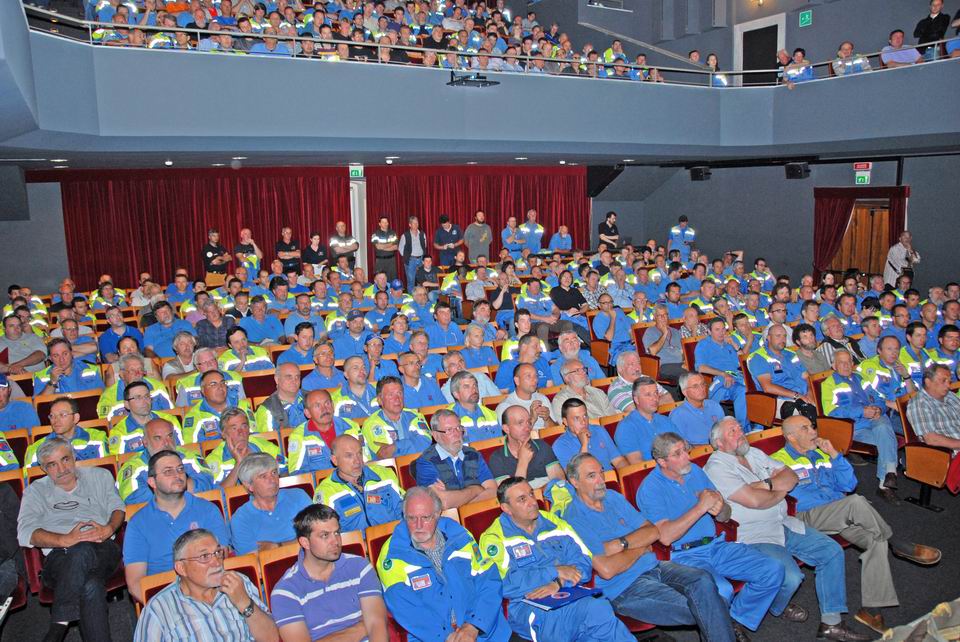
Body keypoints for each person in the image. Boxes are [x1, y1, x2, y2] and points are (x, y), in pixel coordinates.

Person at [771, 415, 941, 634]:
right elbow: (782, 499)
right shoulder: (777, 461)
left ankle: (871, 610)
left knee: (875, 539)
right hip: (805, 516)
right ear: (791, 437)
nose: (814, 431)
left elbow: (849, 484)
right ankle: (897, 543)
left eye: (813, 426)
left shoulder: (821, 454)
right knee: (856, 502)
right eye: (806, 428)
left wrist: (835, 455)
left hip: (838, 513)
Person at [704, 418, 870, 642]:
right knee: (791, 577)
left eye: (740, 428)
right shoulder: (717, 467)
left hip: (783, 522)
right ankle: (740, 616)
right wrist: (777, 488)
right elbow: (754, 501)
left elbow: (791, 476)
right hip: (754, 534)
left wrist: (767, 486)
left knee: (831, 551)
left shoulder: (753, 453)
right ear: (718, 443)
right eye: (732, 431)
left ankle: (831, 624)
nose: (740, 432)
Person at [637, 434, 784, 638]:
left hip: (716, 545)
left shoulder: (695, 472)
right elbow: (665, 537)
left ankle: (734, 620)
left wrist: (721, 507)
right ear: (662, 461)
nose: (686, 457)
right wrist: (701, 507)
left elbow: (725, 515)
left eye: (685, 450)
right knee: (720, 590)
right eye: (677, 454)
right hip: (684, 556)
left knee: (773, 570)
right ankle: (723, 626)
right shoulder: (650, 488)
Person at [480, 476, 635, 642]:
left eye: (531, 494)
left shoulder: (553, 522)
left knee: (596, 624)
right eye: (522, 499)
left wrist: (558, 583)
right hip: (529, 606)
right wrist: (554, 571)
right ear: (506, 508)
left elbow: (583, 561)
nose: (532, 502)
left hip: (568, 594)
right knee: (597, 610)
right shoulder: (494, 538)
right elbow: (504, 584)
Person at [18, 436, 124, 642]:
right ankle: (63, 622)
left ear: (74, 457)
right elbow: (25, 533)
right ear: (43, 469)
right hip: (60, 558)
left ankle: (59, 625)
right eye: (52, 465)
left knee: (83, 549)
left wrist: (109, 528)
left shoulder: (99, 476)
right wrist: (65, 540)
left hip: (102, 547)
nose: (62, 468)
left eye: (65, 459)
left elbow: (118, 508)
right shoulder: (35, 491)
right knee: (91, 585)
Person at [378, 486, 511, 642]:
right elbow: (404, 608)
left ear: (438, 514)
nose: (418, 526)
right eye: (411, 518)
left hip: (482, 629)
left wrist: (474, 626)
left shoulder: (461, 536)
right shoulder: (392, 555)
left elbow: (488, 579)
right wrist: (447, 636)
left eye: (425, 517)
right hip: (431, 637)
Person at [133, 528, 278, 642]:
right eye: (204, 556)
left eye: (218, 553)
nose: (216, 562)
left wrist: (244, 602)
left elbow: (272, 638)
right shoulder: (158, 609)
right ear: (181, 568)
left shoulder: (238, 582)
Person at [123, 449, 230, 603]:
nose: (177, 475)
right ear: (152, 482)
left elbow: (221, 562)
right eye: (168, 471)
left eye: (180, 469)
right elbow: (135, 584)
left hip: (209, 594)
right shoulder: (138, 523)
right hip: (164, 601)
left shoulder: (208, 510)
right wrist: (167, 610)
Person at [272, 503, 389, 642]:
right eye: (325, 535)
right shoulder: (285, 591)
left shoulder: (360, 567)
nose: (335, 541)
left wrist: (372, 624)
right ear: (305, 542)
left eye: (337, 533)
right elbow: (372, 623)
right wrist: (363, 627)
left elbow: (377, 625)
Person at [117, 417, 216, 504]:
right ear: (145, 442)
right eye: (158, 438)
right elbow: (134, 499)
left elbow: (207, 482)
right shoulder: (133, 467)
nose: (166, 443)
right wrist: (180, 487)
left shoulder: (189, 456)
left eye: (169, 436)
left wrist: (164, 492)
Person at [230, 452, 311, 555]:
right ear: (249, 485)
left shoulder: (298, 496)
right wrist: (297, 543)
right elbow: (252, 560)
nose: (272, 480)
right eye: (263, 476)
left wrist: (278, 546)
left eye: (274, 472)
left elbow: (318, 536)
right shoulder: (241, 519)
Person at [748, 324, 815, 420]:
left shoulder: (791, 354)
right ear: (768, 338)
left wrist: (810, 392)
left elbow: (806, 377)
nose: (782, 339)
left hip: (805, 395)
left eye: (784, 336)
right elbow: (767, 387)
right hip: (782, 400)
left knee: (828, 406)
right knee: (809, 414)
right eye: (778, 336)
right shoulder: (759, 357)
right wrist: (797, 396)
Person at [488, 405, 565, 487]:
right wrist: (523, 462)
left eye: (528, 422)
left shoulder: (541, 445)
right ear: (506, 429)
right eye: (520, 423)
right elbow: (512, 492)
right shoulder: (497, 458)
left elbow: (560, 482)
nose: (527, 428)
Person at [286, 389, 360, 475]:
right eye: (317, 406)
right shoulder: (298, 436)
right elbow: (296, 474)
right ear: (307, 413)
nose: (324, 409)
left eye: (327, 403)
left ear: (333, 406)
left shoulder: (350, 426)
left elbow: (366, 460)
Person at [357, 376, 432, 460]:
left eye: (399, 393)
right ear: (380, 400)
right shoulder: (371, 424)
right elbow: (386, 454)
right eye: (391, 395)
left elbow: (426, 442)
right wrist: (411, 444)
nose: (397, 399)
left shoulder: (415, 416)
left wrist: (396, 446)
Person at [24, 396, 108, 468]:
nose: (56, 420)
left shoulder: (97, 438)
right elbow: (31, 479)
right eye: (52, 416)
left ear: (76, 418)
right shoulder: (37, 448)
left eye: (62, 415)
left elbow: (106, 470)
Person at [696, 317, 748, 427]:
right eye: (717, 329)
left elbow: (743, 362)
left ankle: (753, 427)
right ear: (709, 331)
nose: (721, 332)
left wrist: (733, 344)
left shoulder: (729, 344)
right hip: (719, 379)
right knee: (743, 391)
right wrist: (723, 374)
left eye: (723, 329)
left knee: (753, 388)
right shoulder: (703, 345)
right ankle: (740, 428)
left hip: (736, 378)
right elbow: (701, 368)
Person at [614, 376, 678, 463]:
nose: (655, 398)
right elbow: (637, 464)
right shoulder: (626, 427)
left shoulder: (665, 420)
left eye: (656, 393)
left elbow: (684, 447)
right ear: (636, 399)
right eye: (648, 395)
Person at [183, 369, 255, 443]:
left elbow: (254, 436)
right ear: (203, 390)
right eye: (213, 384)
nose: (220, 387)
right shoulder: (194, 416)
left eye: (223, 383)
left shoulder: (242, 406)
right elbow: (192, 447)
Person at [553, 398, 626, 471]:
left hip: (610, 476)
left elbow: (618, 461)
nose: (583, 422)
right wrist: (584, 445)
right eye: (577, 418)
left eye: (585, 416)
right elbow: (575, 475)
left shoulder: (598, 430)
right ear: (565, 421)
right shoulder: (560, 445)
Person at [550, 358, 618, 422]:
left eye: (584, 369)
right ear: (567, 378)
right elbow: (568, 427)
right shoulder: (561, 400)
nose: (584, 372)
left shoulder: (598, 392)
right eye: (577, 370)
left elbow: (613, 418)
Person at [669, 372, 726, 445]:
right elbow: (678, 445)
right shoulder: (678, 415)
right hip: (698, 451)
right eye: (695, 386)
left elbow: (725, 431)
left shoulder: (714, 405)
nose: (701, 388)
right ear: (684, 392)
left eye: (703, 384)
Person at [33, 337, 104, 395]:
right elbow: (40, 404)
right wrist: (52, 382)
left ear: (72, 353)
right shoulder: (41, 376)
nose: (61, 359)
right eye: (56, 356)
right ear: (50, 358)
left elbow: (101, 396)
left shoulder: (90, 369)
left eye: (65, 354)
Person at [495, 363, 553, 430]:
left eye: (536, 376)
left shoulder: (542, 398)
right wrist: (532, 419)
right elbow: (512, 435)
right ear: (517, 381)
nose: (535, 380)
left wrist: (547, 419)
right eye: (528, 376)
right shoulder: (506, 407)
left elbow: (557, 430)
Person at [448, 370, 501, 442]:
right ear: (456, 394)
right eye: (467, 387)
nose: (474, 390)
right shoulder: (447, 419)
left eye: (475, 385)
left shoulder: (491, 414)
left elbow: (498, 443)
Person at [642, 305, 686, 383]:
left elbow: (683, 352)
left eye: (665, 314)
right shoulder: (650, 332)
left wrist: (685, 363)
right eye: (659, 315)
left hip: (680, 364)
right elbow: (653, 352)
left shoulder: (675, 332)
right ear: (654, 317)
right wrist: (664, 333)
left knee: (696, 369)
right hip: (663, 366)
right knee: (687, 375)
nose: (663, 317)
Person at [398, 215, 428, 292]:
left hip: (421, 259)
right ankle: (411, 297)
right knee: (411, 280)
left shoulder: (422, 234)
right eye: (414, 223)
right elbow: (400, 248)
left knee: (421, 280)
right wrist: (407, 257)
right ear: (410, 225)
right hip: (411, 260)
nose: (416, 225)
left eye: (417, 223)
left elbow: (424, 245)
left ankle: (420, 296)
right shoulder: (405, 235)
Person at [370, 216, 399, 281]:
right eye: (383, 222)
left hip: (391, 260)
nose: (385, 224)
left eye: (386, 222)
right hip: (380, 261)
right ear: (379, 224)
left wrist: (383, 247)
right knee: (381, 280)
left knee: (392, 279)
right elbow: (378, 247)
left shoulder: (392, 233)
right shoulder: (375, 234)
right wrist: (391, 244)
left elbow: (396, 247)